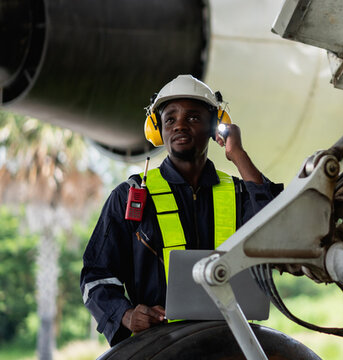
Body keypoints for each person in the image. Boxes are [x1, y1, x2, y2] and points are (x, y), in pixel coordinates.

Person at [80, 75, 280, 346]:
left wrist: (239, 155)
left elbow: (276, 233)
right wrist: (126, 315)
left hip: (232, 340)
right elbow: (96, 276)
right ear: (157, 129)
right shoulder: (129, 196)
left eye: (194, 117)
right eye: (170, 118)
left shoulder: (241, 191)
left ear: (215, 127)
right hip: (159, 343)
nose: (180, 126)